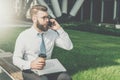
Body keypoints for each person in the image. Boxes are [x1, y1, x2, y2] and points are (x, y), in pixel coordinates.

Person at [13, 5, 73, 80]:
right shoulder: (24, 36)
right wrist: (30, 64)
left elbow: (68, 46)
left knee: (65, 77)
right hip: (30, 70)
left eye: (48, 17)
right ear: (34, 19)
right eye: (43, 17)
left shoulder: (52, 33)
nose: (47, 20)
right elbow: (16, 59)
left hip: (48, 68)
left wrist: (59, 29)